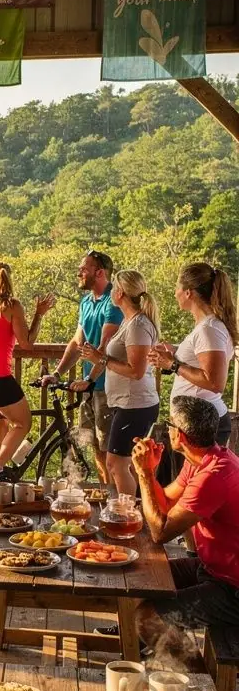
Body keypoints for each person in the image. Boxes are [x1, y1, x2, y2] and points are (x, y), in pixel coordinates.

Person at [131, 397, 239, 654]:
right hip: (212, 568)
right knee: (139, 579)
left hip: (232, 589)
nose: (166, 430)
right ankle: (137, 646)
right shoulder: (203, 461)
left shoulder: (212, 477)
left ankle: (196, 679)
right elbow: (166, 503)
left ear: (179, 435)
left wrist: (144, 475)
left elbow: (160, 532)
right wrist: (150, 469)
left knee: (147, 618)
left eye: (168, 425)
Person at [0, 262, 55, 482]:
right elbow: (26, 343)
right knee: (23, 423)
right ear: (8, 279)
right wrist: (39, 315)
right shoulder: (12, 305)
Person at [44, 250, 124, 483]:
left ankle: (118, 504)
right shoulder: (86, 301)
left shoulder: (113, 301)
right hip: (88, 385)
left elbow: (104, 347)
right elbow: (77, 342)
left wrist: (90, 379)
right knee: (96, 448)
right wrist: (57, 373)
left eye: (84, 268)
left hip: (107, 386)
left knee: (111, 450)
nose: (79, 272)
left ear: (100, 273)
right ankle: (105, 495)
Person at [80, 269, 160, 497]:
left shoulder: (137, 326)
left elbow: (136, 371)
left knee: (115, 463)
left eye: (115, 287)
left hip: (135, 405)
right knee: (131, 464)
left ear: (121, 292)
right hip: (126, 403)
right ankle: (140, 514)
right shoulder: (129, 322)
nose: (112, 291)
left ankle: (127, 515)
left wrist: (101, 359)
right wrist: (96, 362)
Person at [149, 262, 237, 451]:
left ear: (188, 292)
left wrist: (173, 364)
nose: (175, 294)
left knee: (197, 481)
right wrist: (176, 351)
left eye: (177, 288)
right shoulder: (206, 327)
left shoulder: (209, 329)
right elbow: (201, 357)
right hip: (194, 423)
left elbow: (214, 382)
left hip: (204, 426)